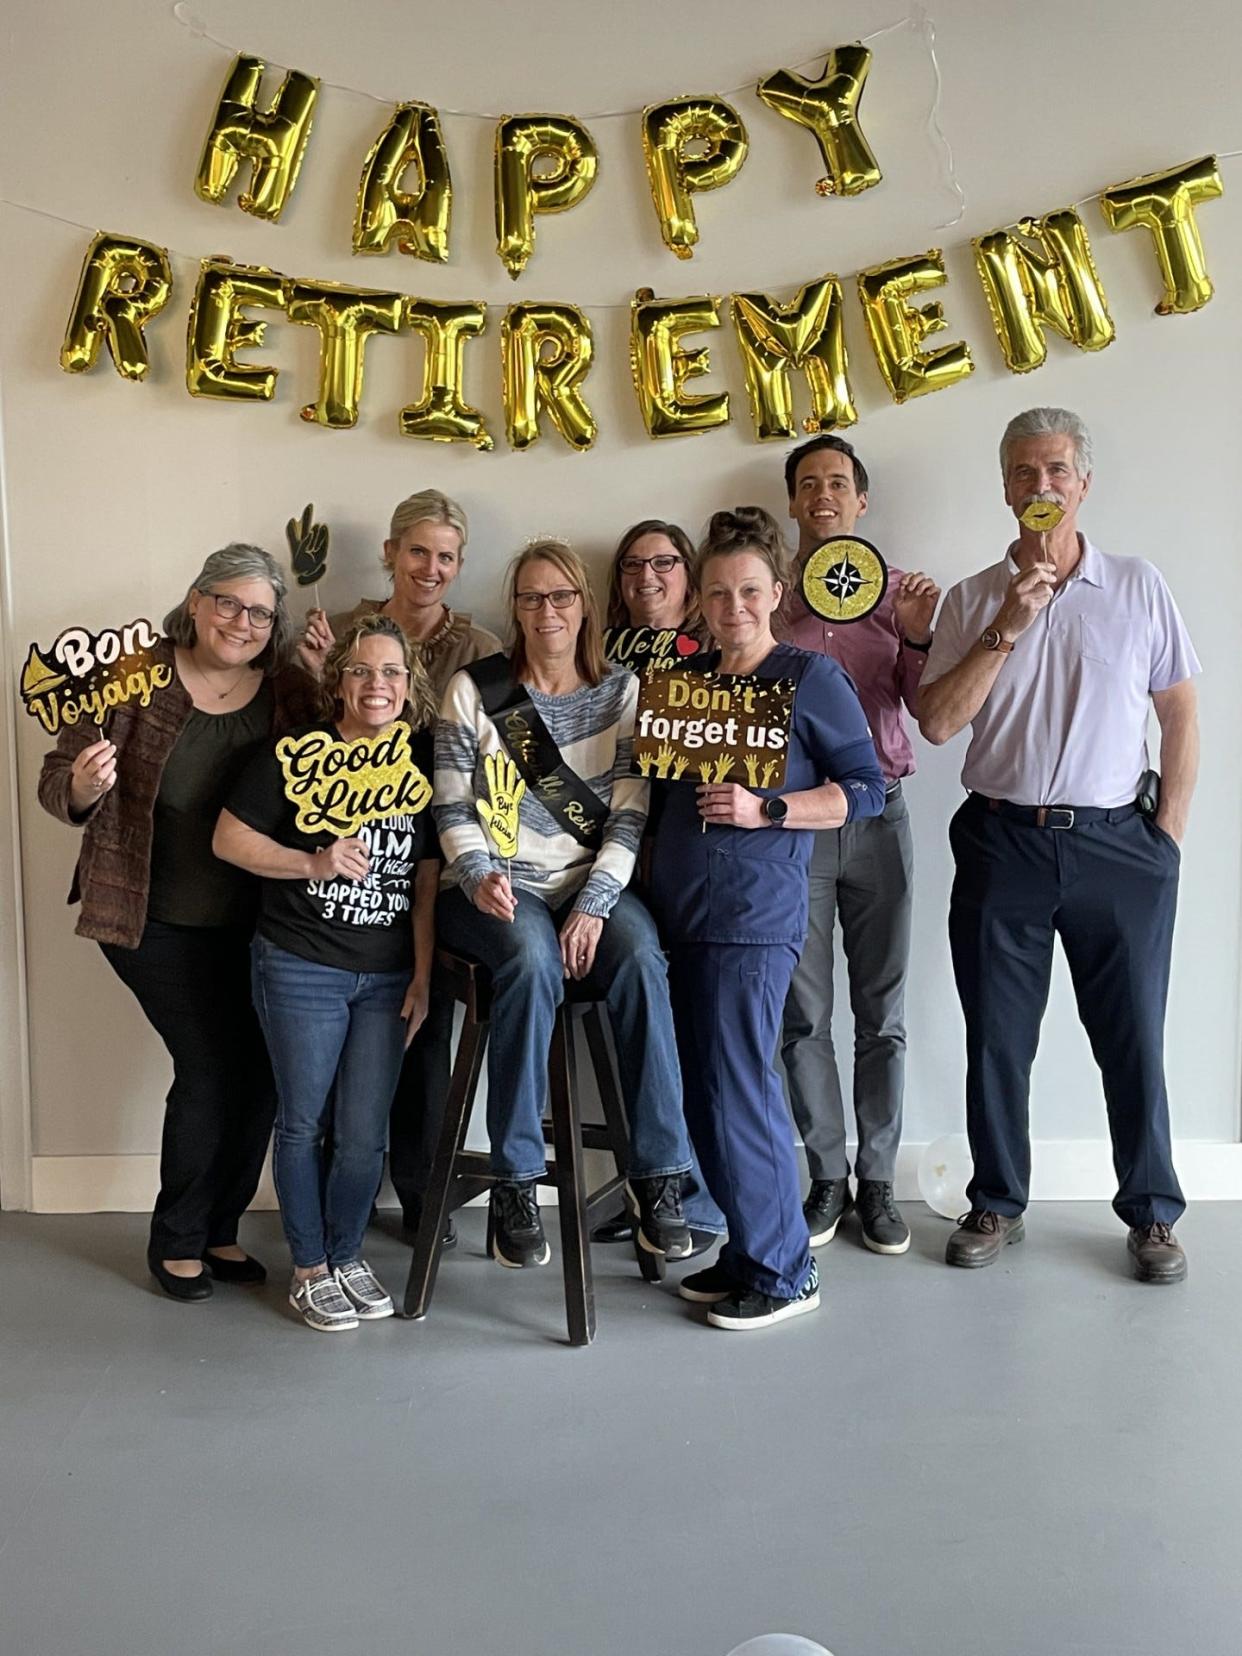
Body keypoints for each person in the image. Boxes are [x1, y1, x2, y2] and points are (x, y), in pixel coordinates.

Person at [918, 407, 1200, 1284]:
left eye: (1057, 471)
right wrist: (1009, 621)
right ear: (1005, 489)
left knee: (1133, 1036)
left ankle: (1152, 1212)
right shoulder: (970, 600)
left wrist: (1169, 839)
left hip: (1121, 843)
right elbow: (935, 724)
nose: (1041, 487)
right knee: (998, 1036)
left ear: (1083, 483)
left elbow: (1181, 710)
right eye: (1024, 474)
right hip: (1004, 841)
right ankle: (996, 1200)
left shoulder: (1139, 586)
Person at [37, 544, 312, 1301]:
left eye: (260, 611)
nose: (242, 621)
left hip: (258, 924)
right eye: (227, 602)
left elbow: (338, 765)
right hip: (147, 916)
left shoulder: (288, 690)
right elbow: (56, 783)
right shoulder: (132, 676)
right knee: (209, 1066)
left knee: (259, 1075)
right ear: (195, 600)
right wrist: (86, 787)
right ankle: (178, 1238)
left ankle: (221, 1229)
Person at [650, 508, 886, 1330]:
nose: (734, 605)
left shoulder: (811, 678)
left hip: (752, 918)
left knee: (740, 1091)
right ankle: (750, 1247)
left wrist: (769, 807)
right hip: (679, 918)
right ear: (699, 604)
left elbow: (867, 788)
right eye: (718, 593)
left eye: (749, 590)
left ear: (776, 594)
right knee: (706, 1094)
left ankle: (787, 1271)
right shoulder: (687, 684)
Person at [434, 539, 698, 1270]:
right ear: (514, 609)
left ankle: (659, 1177)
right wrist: (481, 869)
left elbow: (629, 813)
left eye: (560, 596)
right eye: (530, 598)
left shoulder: (622, 691)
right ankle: (517, 1181)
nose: (546, 611)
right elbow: (451, 805)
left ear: (584, 604)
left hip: (590, 884)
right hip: (493, 888)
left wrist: (596, 904)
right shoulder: (475, 689)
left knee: (643, 956)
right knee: (528, 954)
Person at [214, 615, 440, 1331]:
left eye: (392, 673)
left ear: (410, 687)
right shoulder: (294, 755)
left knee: (365, 1134)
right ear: (339, 681)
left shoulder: (422, 764)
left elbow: (427, 883)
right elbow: (229, 839)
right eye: (363, 671)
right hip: (299, 963)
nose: (378, 685)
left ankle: (346, 1255)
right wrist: (312, 862)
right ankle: (308, 1266)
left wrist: (423, 977)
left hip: (387, 975)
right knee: (304, 1122)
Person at [300, 490, 501, 1247]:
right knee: (326, 1051)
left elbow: (498, 755)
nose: (432, 568)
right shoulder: (339, 630)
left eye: (447, 556)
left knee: (422, 1036)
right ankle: (324, 1205)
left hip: (434, 865)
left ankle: (422, 1194)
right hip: (345, 869)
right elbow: (302, 757)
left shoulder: (479, 648)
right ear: (389, 552)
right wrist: (317, 674)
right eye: (418, 551)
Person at [779, 436, 941, 1256]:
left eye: (837, 483)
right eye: (808, 484)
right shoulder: (771, 605)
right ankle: (826, 1177)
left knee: (883, 1012)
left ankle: (878, 1182)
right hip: (799, 826)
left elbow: (931, 713)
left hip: (882, 819)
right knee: (802, 1012)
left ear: (861, 500)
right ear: (794, 504)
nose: (823, 496)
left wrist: (915, 636)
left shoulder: (896, 599)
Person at [594, 518, 725, 1254]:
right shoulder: (599, 660)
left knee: (706, 1032)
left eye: (665, 563)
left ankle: (704, 1198)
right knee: (639, 1027)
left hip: (702, 860)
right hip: (620, 866)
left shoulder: (719, 658)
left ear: (689, 575)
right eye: (633, 565)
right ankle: (651, 1183)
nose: (648, 577)